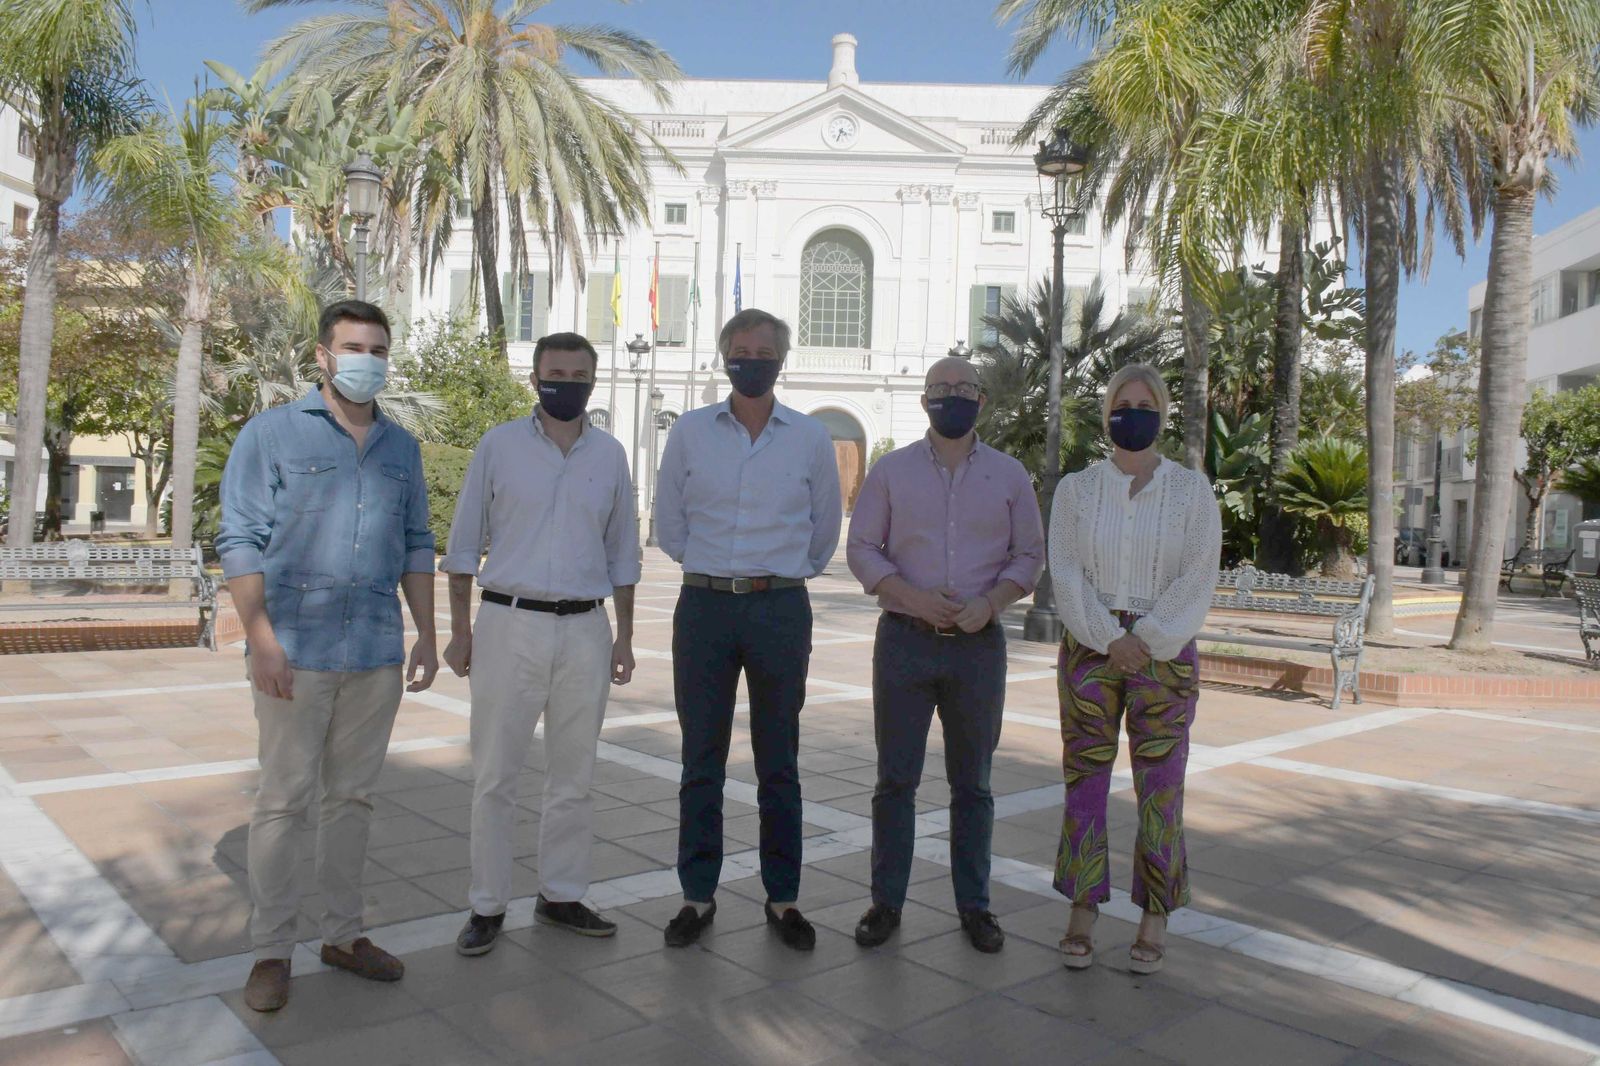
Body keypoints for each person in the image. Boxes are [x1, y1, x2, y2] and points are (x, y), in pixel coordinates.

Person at [217, 300, 438, 1012]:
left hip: (374, 649)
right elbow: (241, 539)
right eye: (351, 346)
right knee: (283, 802)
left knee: (352, 800)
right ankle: (271, 950)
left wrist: (426, 634)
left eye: (376, 347)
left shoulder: (401, 449)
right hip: (296, 650)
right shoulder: (271, 434)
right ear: (322, 354)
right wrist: (262, 641)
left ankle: (342, 935)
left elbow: (416, 544)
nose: (364, 359)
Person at [440, 332, 640, 956]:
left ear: (593, 380)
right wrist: (459, 630)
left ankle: (561, 895)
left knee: (573, 776)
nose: (567, 382)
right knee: (496, 775)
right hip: (508, 623)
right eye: (556, 372)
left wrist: (626, 637)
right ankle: (487, 904)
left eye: (579, 373)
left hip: (586, 628)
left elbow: (623, 551)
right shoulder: (498, 446)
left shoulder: (609, 455)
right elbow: (464, 543)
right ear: (535, 378)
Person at [653, 308, 842, 951]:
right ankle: (696, 896)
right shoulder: (689, 432)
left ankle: (782, 897)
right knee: (700, 758)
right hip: (703, 607)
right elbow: (669, 523)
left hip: (779, 609)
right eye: (740, 348)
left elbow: (824, 532)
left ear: (780, 361)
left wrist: (779, 575)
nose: (751, 359)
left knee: (778, 761)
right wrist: (709, 570)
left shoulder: (810, 438)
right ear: (724, 355)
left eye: (763, 351)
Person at [846, 357, 1044, 953]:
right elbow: (862, 547)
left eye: (962, 389)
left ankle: (975, 907)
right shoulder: (890, 472)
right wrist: (910, 598)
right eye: (940, 389)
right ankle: (886, 904)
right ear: (924, 400)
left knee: (974, 787)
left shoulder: (1010, 477)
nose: (950, 398)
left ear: (981, 400)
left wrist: (991, 603)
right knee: (895, 782)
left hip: (978, 647)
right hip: (905, 642)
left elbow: (1029, 556)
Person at [1048, 363, 1222, 974]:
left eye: (1146, 402)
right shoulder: (1076, 490)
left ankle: (1154, 914)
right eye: (1123, 402)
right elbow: (1064, 571)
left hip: (1164, 655)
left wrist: (1143, 639)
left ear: (1164, 413)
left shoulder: (1191, 491)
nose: (1134, 411)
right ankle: (1082, 906)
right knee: (1085, 782)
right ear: (1107, 413)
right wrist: (1106, 636)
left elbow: (1199, 573)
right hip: (1090, 653)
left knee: (1161, 789)